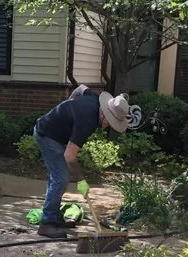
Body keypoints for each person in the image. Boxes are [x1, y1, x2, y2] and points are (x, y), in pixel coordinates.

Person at [32, 86, 131, 238]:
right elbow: (69, 156)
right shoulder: (87, 122)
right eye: (110, 122)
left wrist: (68, 111)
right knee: (61, 178)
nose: (108, 126)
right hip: (47, 135)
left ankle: (53, 216)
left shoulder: (93, 98)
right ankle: (47, 224)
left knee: (57, 177)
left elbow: (81, 88)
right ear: (105, 113)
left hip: (57, 135)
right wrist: (81, 180)